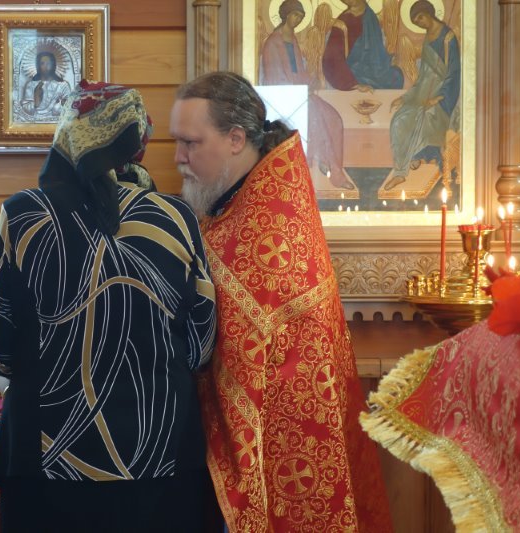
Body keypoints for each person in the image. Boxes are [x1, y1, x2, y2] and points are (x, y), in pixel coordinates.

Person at [0, 80, 219, 532]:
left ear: (67, 134)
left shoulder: (24, 215)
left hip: (43, 459)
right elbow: (201, 344)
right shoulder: (177, 217)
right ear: (137, 142)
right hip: (161, 457)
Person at [170, 71, 393, 532]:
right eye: (177, 142)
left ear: (236, 139)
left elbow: (232, 346)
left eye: (190, 143)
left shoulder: (271, 224)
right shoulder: (237, 204)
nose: (178, 158)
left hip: (282, 441)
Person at [259, 0, 354, 190]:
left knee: (333, 118)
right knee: (316, 118)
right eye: (295, 15)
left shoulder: (292, 39)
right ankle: (334, 171)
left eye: (301, 17)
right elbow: (273, 79)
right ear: (286, 15)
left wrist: (311, 81)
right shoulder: (272, 43)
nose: (298, 20)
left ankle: (326, 160)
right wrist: (300, 89)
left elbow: (299, 71)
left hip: (301, 94)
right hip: (286, 99)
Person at [386, 0, 460, 191]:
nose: (419, 23)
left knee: (423, 116)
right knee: (399, 120)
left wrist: (439, 97)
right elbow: (423, 77)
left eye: (420, 17)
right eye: (415, 21)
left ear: (429, 13)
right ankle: (410, 159)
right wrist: (406, 97)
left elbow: (454, 74)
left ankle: (402, 171)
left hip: (445, 98)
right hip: (423, 93)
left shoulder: (448, 38)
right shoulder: (428, 38)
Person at [322, 0, 403, 91]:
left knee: (396, 75)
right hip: (352, 72)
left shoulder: (370, 16)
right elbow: (332, 57)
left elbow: (377, 50)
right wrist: (352, 84)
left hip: (373, 68)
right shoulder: (342, 21)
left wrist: (388, 60)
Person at [19, 51, 72, 122]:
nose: (46, 66)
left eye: (48, 63)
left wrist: (58, 106)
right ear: (38, 66)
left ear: (53, 65)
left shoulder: (63, 85)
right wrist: (36, 102)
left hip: (56, 122)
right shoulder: (31, 85)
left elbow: (69, 108)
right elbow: (25, 109)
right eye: (42, 63)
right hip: (35, 122)